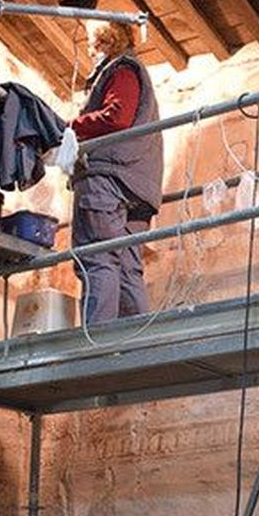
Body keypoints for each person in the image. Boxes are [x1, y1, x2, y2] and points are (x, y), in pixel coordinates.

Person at [68, 21, 163, 325]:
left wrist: (70, 127)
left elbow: (116, 117)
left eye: (94, 48)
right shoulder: (138, 74)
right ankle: (134, 345)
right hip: (138, 185)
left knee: (99, 258)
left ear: (106, 44)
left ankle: (95, 344)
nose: (92, 54)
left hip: (110, 177)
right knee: (127, 265)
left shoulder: (121, 69)